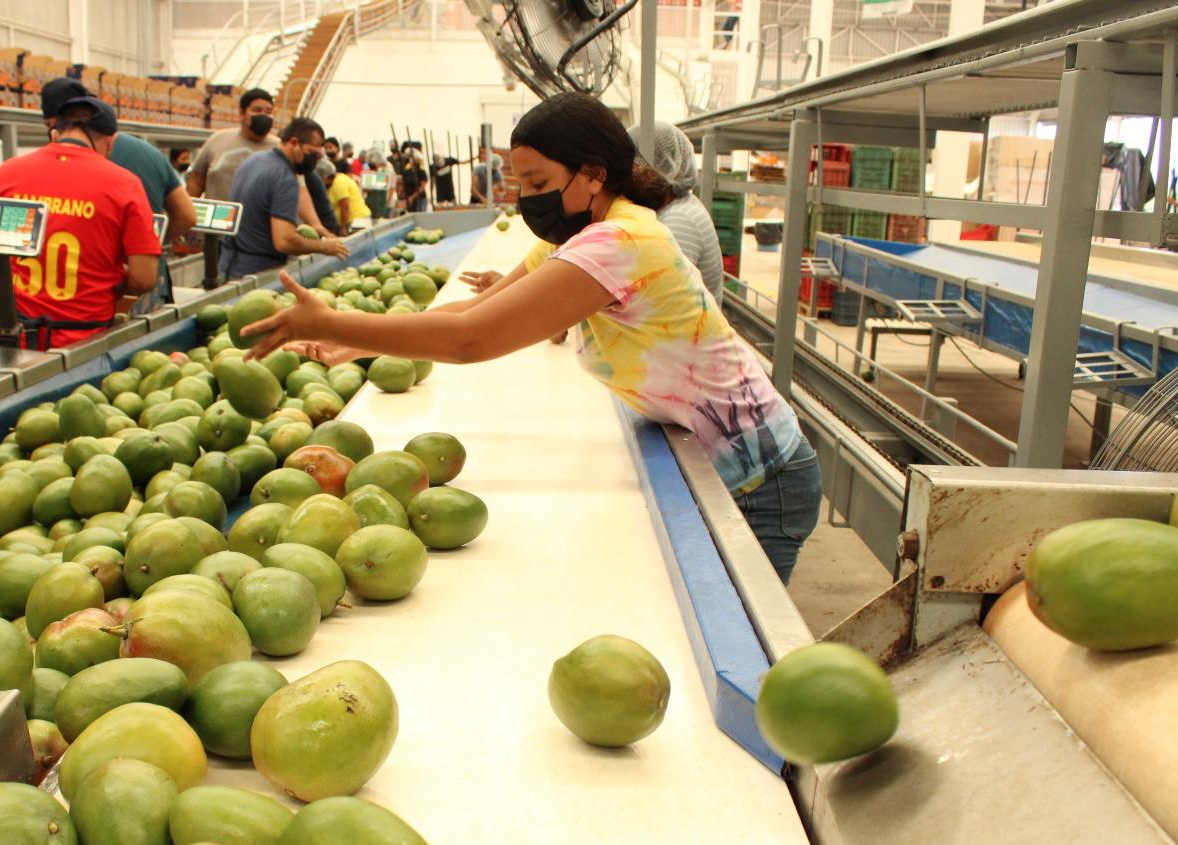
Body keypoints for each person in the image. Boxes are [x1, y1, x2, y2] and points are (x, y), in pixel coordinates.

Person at [237, 93, 820, 582]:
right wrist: (362, 345)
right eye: (521, 182)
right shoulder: (578, 230)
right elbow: (481, 306)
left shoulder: (620, 242)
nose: (528, 197)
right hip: (729, 464)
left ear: (593, 174)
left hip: (762, 480)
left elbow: (471, 339)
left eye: (538, 181)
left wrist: (332, 321)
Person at [0, 97, 161, 350]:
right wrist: (109, 286)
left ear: (56, 130)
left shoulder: (9, 172)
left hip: (17, 339)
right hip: (85, 344)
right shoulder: (124, 183)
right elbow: (143, 278)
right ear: (110, 141)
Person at [41, 78, 193, 313]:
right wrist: (148, 246)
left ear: (57, 122)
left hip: (81, 295)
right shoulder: (147, 152)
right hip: (147, 285)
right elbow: (187, 216)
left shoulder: (47, 165)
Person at [221, 116, 349, 281]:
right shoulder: (284, 177)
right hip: (257, 272)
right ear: (294, 143)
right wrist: (323, 247)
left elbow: (302, 192)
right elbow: (284, 241)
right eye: (313, 154)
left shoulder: (255, 160)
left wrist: (316, 225)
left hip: (228, 264)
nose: (315, 161)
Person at [634, 121, 725, 303]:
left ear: (664, 170)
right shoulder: (672, 207)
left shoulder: (679, 220)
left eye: (638, 169)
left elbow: (661, 297)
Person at [186, 88, 277, 200]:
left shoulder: (278, 149)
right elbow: (196, 181)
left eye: (268, 112)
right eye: (257, 110)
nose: (263, 116)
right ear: (241, 113)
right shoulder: (217, 140)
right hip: (219, 216)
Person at [321, 156, 372, 233]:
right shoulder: (338, 178)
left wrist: (344, 227)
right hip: (356, 221)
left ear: (326, 177)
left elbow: (345, 206)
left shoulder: (338, 183)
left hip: (356, 222)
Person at [400, 148, 429, 213]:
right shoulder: (406, 172)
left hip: (420, 199)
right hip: (408, 199)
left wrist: (412, 197)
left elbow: (422, 187)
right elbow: (403, 185)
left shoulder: (421, 172)